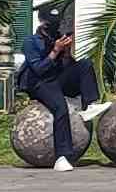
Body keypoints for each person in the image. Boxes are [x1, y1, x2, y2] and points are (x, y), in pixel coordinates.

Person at [18, 16, 86, 172]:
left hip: (56, 79)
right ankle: (62, 156)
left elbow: (67, 67)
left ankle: (91, 104)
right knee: (60, 108)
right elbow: (39, 69)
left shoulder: (58, 39)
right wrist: (55, 51)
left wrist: (67, 51)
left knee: (85, 65)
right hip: (38, 82)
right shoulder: (31, 42)